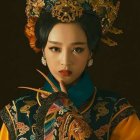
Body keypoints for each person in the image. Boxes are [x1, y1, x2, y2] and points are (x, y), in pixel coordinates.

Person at [0, 0, 140, 139]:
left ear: (90, 52)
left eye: (77, 49)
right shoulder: (18, 115)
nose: (65, 61)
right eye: (55, 49)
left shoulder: (117, 114)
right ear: (43, 51)